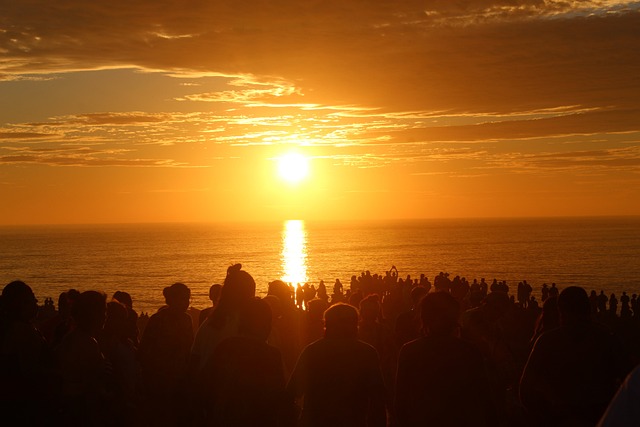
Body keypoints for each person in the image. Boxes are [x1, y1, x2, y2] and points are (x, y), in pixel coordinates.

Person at [520, 286, 630, 426]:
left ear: (560, 310)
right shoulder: (608, 339)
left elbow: (525, 389)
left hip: (559, 417)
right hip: (599, 416)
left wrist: (544, 417)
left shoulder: (546, 341)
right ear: (588, 307)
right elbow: (629, 384)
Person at [395, 292, 494, 426]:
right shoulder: (469, 351)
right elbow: (485, 400)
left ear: (424, 318)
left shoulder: (410, 351)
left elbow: (400, 402)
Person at [287, 303, 386, 427]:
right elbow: (378, 400)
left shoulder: (312, 351)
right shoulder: (367, 353)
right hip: (354, 421)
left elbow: (291, 393)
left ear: (327, 325)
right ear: (355, 325)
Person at [200, 298, 293, 427]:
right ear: (264, 324)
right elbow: (279, 393)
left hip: (225, 417)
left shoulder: (224, 347)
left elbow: (206, 384)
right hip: (257, 418)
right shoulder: (270, 354)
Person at [138, 283, 193, 427]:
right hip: (159, 378)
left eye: (187, 299)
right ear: (172, 300)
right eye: (182, 299)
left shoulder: (187, 320)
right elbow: (144, 348)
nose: (186, 303)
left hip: (179, 377)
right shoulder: (158, 319)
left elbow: (189, 348)